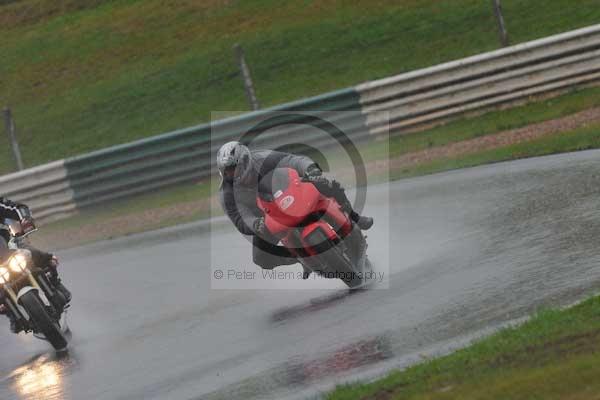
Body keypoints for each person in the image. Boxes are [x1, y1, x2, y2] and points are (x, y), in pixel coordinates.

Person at [216, 141, 373, 273]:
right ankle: (301, 259)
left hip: (289, 194)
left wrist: (309, 169)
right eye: (228, 172)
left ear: (245, 161)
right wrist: (256, 224)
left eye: (234, 168)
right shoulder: (227, 194)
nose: (233, 174)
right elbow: (240, 218)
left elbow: (292, 160)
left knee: (327, 184)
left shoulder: (264, 159)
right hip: (267, 219)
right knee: (260, 258)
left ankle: (354, 218)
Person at [0, 198, 63, 333]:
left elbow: (16, 208)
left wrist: (24, 219)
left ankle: (55, 283)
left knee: (31, 252)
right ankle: (12, 315)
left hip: (9, 245)